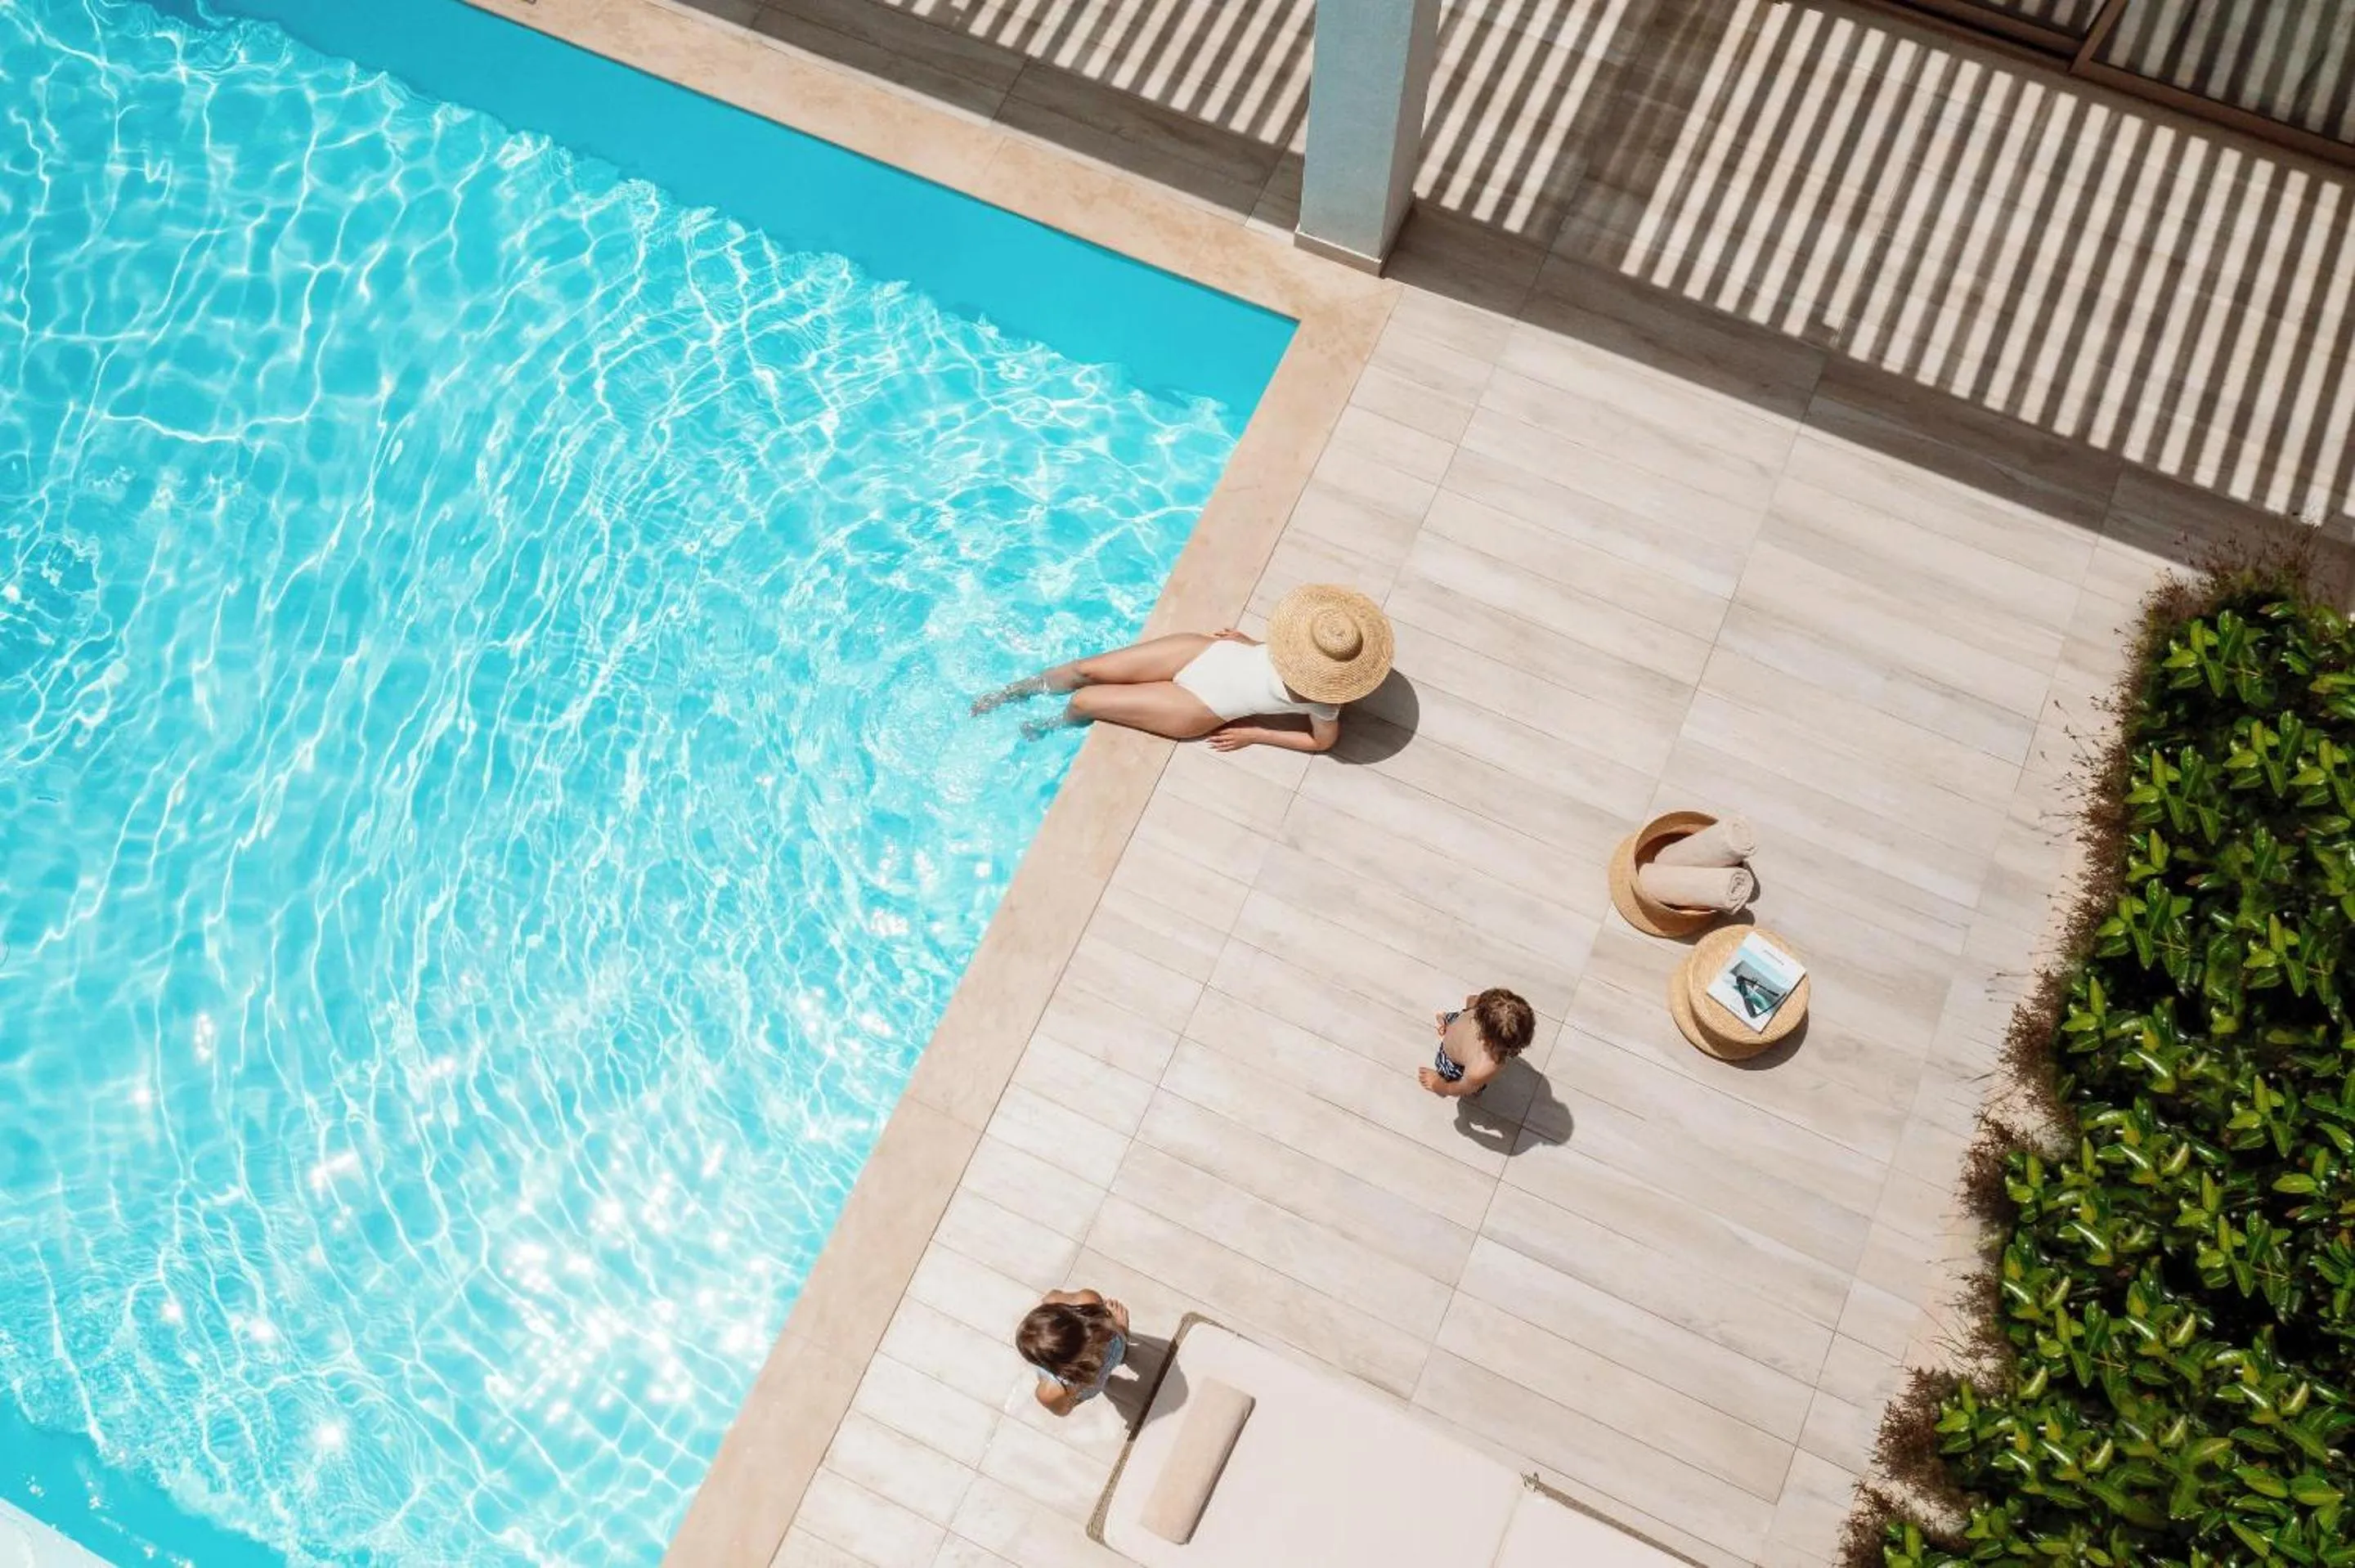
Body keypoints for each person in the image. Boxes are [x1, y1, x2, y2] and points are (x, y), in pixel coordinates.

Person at [971, 583, 1393, 754]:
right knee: (1086, 670)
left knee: (1084, 701)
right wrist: (1248, 644)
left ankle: (1049, 725)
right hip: (1203, 655)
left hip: (1199, 704)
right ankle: (1013, 691)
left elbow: (1322, 744)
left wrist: (1255, 735)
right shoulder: (1303, 635)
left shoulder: (1325, 697)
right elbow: (1275, 655)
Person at [1016, 1288, 1129, 1416]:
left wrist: (1074, 1393)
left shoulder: (1052, 1392)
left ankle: (1121, 1341)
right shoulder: (1089, 1301)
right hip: (1114, 1347)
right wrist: (1119, 1327)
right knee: (1114, 1333)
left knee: (1096, 1378)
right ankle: (1122, 1334)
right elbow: (1051, 1296)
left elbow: (1064, 1410)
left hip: (1087, 1382)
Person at [1418, 988, 1537, 1098]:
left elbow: (1459, 1088)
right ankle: (1448, 1022)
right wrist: (1469, 1008)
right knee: (1459, 1016)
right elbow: (1472, 999)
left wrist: (1439, 1085)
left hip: (1452, 1062)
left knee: (1471, 1086)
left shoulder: (1481, 1068)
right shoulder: (1491, 1006)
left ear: (1484, 1037)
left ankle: (1474, 1090)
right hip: (1458, 1022)